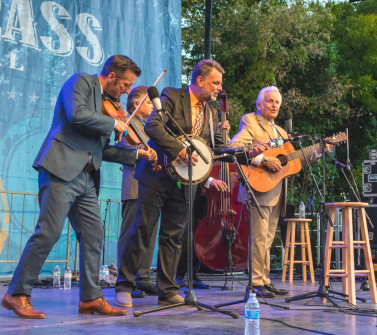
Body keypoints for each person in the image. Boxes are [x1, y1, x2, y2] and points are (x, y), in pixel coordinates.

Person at [1, 55, 157, 318]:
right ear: (111, 77)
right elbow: (76, 114)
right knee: (48, 232)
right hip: (61, 169)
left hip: (86, 177)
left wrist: (135, 154)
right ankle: (16, 293)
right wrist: (115, 123)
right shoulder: (80, 82)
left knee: (94, 234)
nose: (128, 91)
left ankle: (91, 298)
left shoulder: (110, 105)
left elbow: (102, 150)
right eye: (126, 85)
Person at [114, 59, 265, 308]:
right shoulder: (171, 95)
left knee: (174, 236)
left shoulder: (212, 112)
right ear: (200, 80)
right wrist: (179, 151)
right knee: (142, 230)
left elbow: (216, 150)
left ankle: (167, 289)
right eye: (215, 83)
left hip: (187, 181)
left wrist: (247, 153)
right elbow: (153, 125)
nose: (219, 88)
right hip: (157, 173)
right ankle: (124, 286)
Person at [228, 86, 290, 298]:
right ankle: (255, 283)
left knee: (269, 238)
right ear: (259, 104)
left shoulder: (282, 132)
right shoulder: (250, 121)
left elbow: (292, 160)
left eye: (277, 102)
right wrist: (262, 159)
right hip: (258, 186)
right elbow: (235, 145)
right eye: (271, 101)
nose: (275, 105)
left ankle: (264, 280)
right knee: (259, 238)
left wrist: (318, 152)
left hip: (276, 189)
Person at [116, 85, 158, 296]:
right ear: (136, 103)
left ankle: (143, 276)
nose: (152, 106)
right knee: (130, 233)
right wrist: (143, 151)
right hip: (134, 182)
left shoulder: (150, 126)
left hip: (151, 185)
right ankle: (125, 279)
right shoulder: (126, 122)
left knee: (149, 233)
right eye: (149, 102)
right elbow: (123, 148)